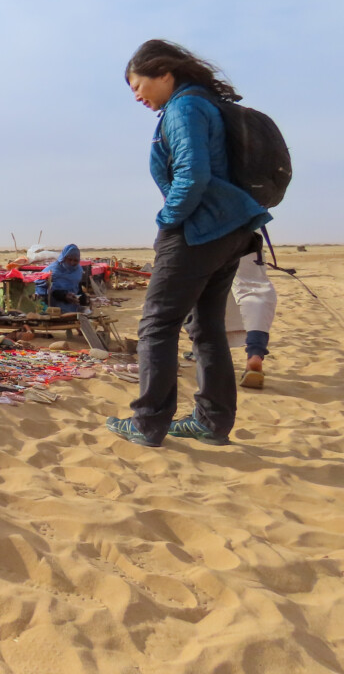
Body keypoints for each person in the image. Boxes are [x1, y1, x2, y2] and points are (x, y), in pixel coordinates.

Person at [106, 40, 271, 447]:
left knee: (157, 324)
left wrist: (167, 220)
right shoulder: (202, 104)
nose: (136, 95)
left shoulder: (183, 108)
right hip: (230, 230)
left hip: (200, 230)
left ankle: (148, 422)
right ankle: (211, 422)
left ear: (164, 74)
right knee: (206, 327)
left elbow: (193, 174)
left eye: (137, 84)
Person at [227, 249, 277, 388]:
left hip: (197, 233)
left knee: (198, 289)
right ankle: (255, 352)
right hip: (243, 231)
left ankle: (205, 353)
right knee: (253, 288)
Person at [34, 244, 89, 313]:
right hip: (51, 301)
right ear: (63, 258)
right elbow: (49, 289)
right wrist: (64, 296)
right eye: (69, 259)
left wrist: (82, 297)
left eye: (75, 260)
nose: (72, 263)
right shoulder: (53, 270)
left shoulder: (78, 270)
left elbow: (77, 286)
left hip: (71, 301)